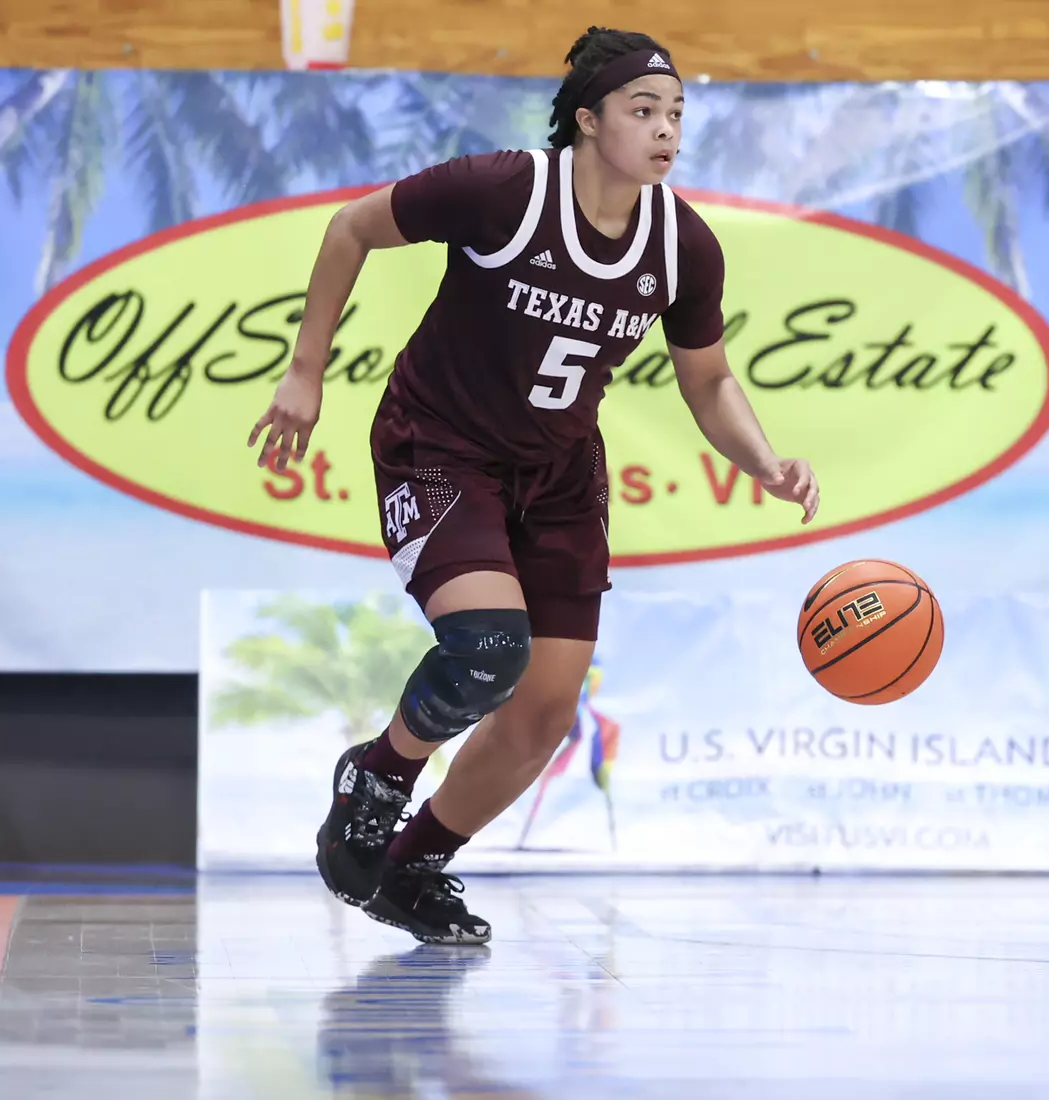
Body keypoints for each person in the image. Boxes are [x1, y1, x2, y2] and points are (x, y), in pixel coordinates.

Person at [247, 27, 819, 945]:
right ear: (588, 121)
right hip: (440, 445)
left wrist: (762, 458)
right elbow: (352, 225)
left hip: (557, 473)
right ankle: (378, 776)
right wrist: (305, 372)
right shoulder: (505, 190)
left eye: (677, 113)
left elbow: (707, 379)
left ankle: (415, 866)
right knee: (485, 649)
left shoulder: (684, 246)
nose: (667, 130)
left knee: (548, 705)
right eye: (644, 111)